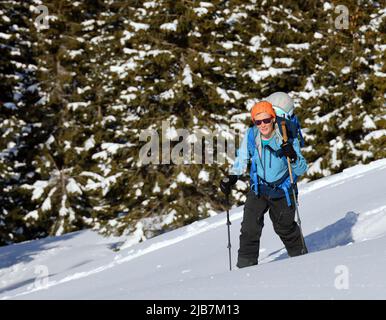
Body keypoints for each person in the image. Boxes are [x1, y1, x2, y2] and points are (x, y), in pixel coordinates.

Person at [220, 100, 308, 268]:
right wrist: (232, 177)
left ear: (273, 119)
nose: (262, 125)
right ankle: (245, 270)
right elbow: (242, 157)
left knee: (285, 228)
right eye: (258, 121)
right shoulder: (252, 135)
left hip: (283, 190)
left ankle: (302, 260)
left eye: (266, 120)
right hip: (259, 188)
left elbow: (301, 169)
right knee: (249, 229)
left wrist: (293, 156)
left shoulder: (286, 136)